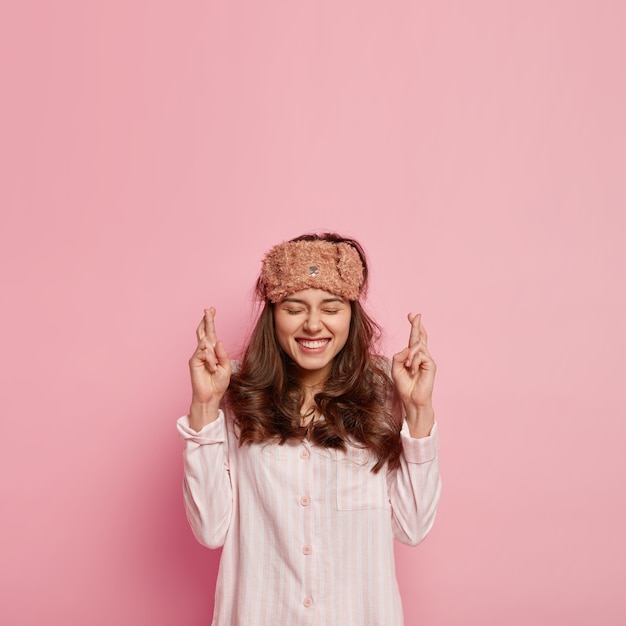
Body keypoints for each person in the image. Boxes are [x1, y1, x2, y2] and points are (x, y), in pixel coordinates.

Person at [177, 232, 441, 626]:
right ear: (273, 314)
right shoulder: (233, 393)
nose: (313, 325)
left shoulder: (387, 390)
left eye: (331, 307)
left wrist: (417, 409)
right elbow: (210, 529)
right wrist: (204, 406)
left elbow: (412, 527)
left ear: (352, 314)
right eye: (295, 307)